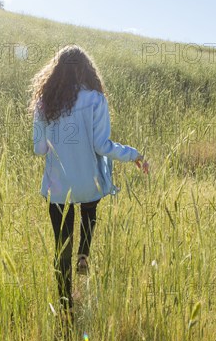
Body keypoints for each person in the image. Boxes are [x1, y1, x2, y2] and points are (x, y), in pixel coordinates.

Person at [29, 45, 149, 324]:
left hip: (58, 188)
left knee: (61, 246)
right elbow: (101, 145)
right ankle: (85, 253)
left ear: (55, 72)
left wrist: (55, 137)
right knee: (89, 205)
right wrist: (134, 154)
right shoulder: (95, 99)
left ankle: (65, 305)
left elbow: (39, 149)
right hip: (88, 183)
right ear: (86, 70)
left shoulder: (44, 103)